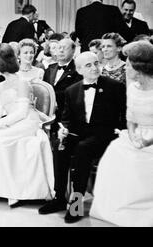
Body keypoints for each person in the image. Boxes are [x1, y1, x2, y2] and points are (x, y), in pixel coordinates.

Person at [38, 52, 126, 223]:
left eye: (95, 63)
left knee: (83, 149)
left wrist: (119, 131)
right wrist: (64, 129)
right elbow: (66, 118)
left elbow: (123, 115)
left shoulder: (115, 86)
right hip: (79, 133)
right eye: (88, 65)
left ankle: (76, 203)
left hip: (104, 135)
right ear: (79, 70)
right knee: (59, 146)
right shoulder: (72, 90)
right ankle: (59, 198)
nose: (94, 68)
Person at [0, 46, 55, 206]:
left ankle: (15, 191)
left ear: (1, 66)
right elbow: (0, 113)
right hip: (12, 122)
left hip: (28, 122)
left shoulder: (22, 83)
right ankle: (2, 188)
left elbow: (22, 113)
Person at [90, 41, 153, 226]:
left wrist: (146, 141)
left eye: (128, 63)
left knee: (138, 162)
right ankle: (115, 210)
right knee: (115, 152)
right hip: (137, 134)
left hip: (151, 138)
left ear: (138, 67)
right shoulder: (133, 88)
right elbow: (130, 118)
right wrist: (134, 137)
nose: (125, 66)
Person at [43, 39, 82, 126]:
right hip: (49, 113)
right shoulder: (50, 68)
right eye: (59, 47)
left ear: (73, 51)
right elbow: (45, 88)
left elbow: (74, 93)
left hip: (68, 115)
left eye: (65, 48)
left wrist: (54, 98)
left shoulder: (78, 69)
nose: (61, 50)